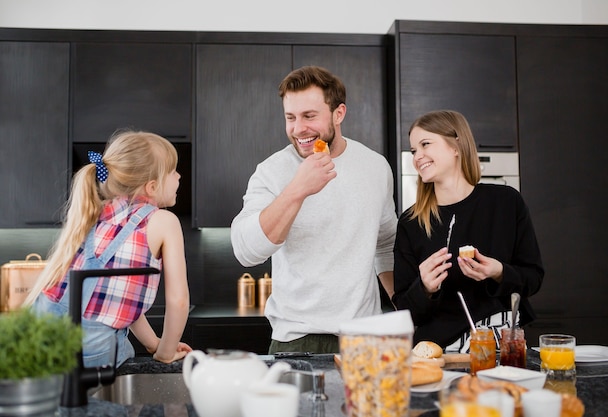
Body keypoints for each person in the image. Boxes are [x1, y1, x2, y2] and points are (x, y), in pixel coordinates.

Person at [231, 66, 397, 354]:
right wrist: (298, 188)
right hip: (296, 340)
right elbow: (247, 252)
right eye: (290, 118)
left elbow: (385, 246)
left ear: (338, 114)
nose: (298, 129)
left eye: (309, 116)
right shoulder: (271, 172)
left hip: (366, 339)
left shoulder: (375, 166)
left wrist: (405, 306)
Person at [24, 130, 192, 367]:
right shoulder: (164, 221)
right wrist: (164, 352)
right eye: (173, 170)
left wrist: (152, 342)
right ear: (152, 187)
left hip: (38, 333)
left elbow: (122, 299)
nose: (179, 176)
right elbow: (178, 300)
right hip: (92, 347)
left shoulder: (95, 212)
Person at [392, 110, 544, 351]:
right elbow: (405, 311)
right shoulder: (410, 223)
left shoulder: (506, 203)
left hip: (501, 345)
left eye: (425, 144)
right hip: (438, 351)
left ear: (456, 146)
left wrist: (499, 272)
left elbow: (533, 279)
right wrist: (424, 288)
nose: (417, 156)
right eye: (413, 151)